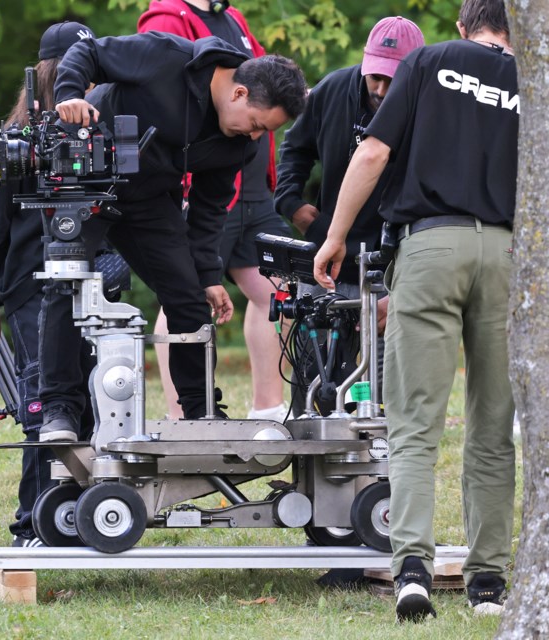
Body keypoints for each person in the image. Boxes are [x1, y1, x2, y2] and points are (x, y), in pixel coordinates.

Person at [312, 0, 517, 621]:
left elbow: (372, 154)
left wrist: (335, 234)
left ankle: (411, 572)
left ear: (464, 25)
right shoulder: (534, 78)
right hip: (511, 255)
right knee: (492, 425)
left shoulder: (428, 61)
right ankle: (487, 582)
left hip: (430, 246)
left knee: (415, 423)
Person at [39, 31, 307, 441]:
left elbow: (209, 210)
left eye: (263, 132)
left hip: (148, 200)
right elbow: (90, 49)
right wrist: (71, 94)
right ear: (238, 93)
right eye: (255, 125)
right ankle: (57, 409)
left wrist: (207, 276)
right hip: (88, 177)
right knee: (66, 283)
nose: (254, 138)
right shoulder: (166, 56)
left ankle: (201, 414)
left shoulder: (239, 143)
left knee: (187, 299)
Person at [0, 21, 99, 546]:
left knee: (87, 402)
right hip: (29, 285)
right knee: (44, 407)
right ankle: (34, 524)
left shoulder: (101, 132)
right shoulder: (16, 144)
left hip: (92, 283)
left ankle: (75, 519)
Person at [138, 0, 291, 422]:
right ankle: (182, 413)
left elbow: (268, 85)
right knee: (182, 297)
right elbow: (177, 98)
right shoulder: (170, 15)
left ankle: (269, 409)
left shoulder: (234, 18)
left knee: (280, 291)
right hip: (206, 194)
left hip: (255, 194)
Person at [275, 16, 424, 415]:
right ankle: (306, 452)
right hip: (328, 242)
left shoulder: (428, 103)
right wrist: (290, 202)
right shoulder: (333, 89)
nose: (381, 89)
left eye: (393, 80)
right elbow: (294, 148)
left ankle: (375, 458)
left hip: (393, 252)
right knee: (311, 357)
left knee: (380, 367)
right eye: (375, 76)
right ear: (364, 61)